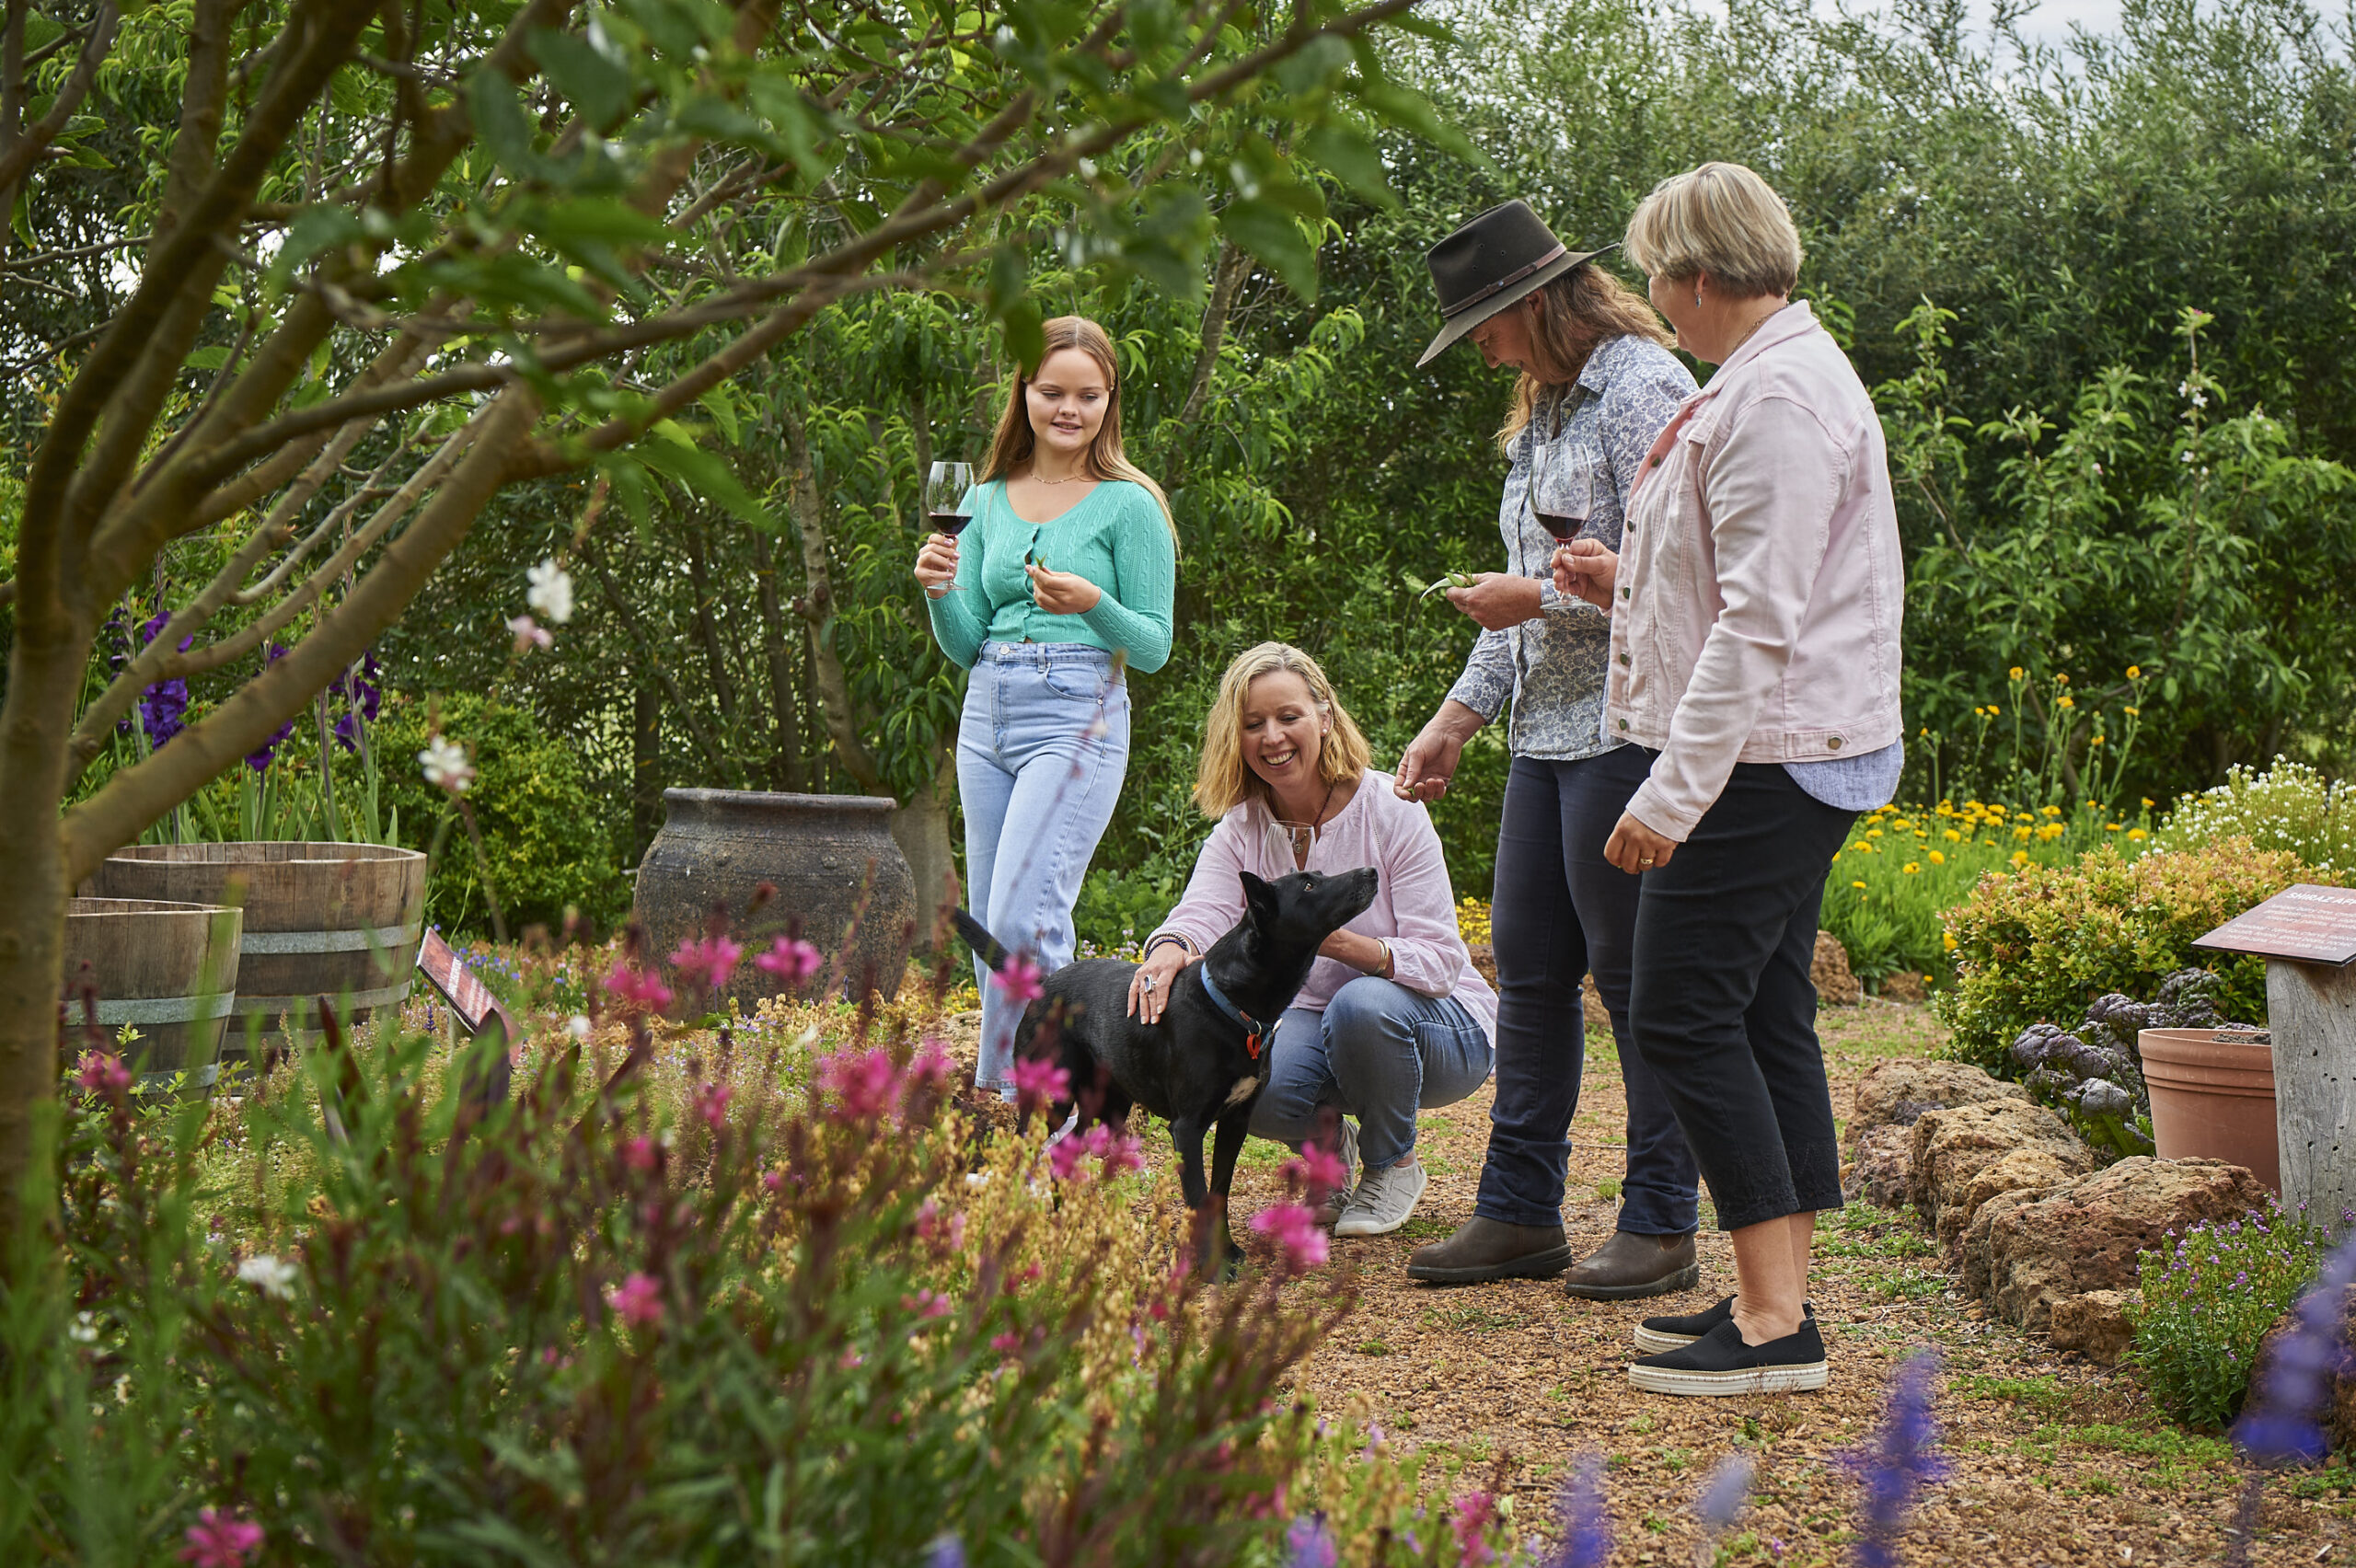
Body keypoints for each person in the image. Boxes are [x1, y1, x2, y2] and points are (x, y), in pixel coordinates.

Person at [1553, 162, 1905, 1394]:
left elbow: (1762, 624)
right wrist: (1624, 582)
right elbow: (1739, 579)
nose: (1656, 296)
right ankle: (1773, 1304)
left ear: (1699, 274)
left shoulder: (1777, 399)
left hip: (1766, 758)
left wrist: (1665, 796)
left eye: (1660, 273)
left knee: (1680, 1014)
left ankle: (1773, 1330)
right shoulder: (1763, 381)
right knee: (1762, 1017)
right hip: (1774, 747)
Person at [1390, 199, 1706, 1297]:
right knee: (1526, 973)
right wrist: (1451, 722)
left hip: (1628, 730)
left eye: (1478, 322)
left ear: (1530, 302)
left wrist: (1535, 595)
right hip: (1544, 738)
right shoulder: (1542, 419)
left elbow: (1686, 585)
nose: (1473, 346)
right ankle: (1519, 1212)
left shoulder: (1645, 392)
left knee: (1633, 986)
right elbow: (1520, 611)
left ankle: (1662, 1222)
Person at [1127, 643, 1495, 1238]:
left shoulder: (1392, 811)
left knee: (1362, 1005)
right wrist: (1168, 948)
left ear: (1324, 717)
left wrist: (1347, 946)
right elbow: (1202, 909)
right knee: (1250, 1072)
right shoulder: (1243, 826)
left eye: (1288, 717)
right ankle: (1329, 1154)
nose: (1272, 737)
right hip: (1314, 1024)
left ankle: (1392, 1163)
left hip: (1439, 1025)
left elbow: (1444, 963)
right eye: (1253, 724)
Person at [914, 317, 1178, 1096]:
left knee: (1027, 916)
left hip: (1077, 711)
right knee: (992, 924)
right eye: (1052, 391)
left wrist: (1094, 601)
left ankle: (1046, 1096)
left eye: (1088, 395)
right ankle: (1008, 1094)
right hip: (987, 708)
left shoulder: (1130, 507)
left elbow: (1155, 645)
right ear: (1023, 393)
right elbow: (965, 642)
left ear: (1109, 402)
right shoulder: (984, 498)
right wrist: (937, 595)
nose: (1070, 409)